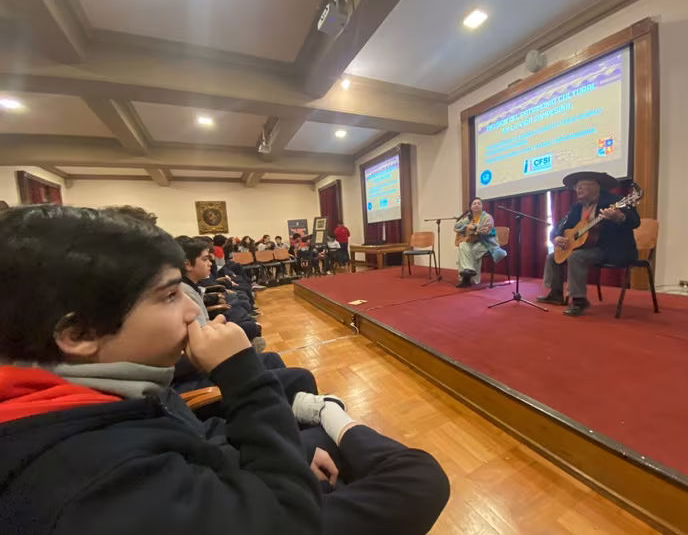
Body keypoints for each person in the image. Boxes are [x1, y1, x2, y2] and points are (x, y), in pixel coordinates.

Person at [1, 205, 450, 535]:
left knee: (319, 442)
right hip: (272, 513)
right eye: (169, 296)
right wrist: (243, 377)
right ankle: (331, 413)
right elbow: (288, 519)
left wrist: (287, 451)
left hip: (225, 483)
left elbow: (188, 436)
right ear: (78, 334)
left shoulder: (84, 393)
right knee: (419, 478)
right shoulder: (88, 486)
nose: (190, 313)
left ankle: (326, 417)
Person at [538, 171, 640, 316]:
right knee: (552, 257)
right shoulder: (576, 208)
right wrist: (556, 237)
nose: (578, 189)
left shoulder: (616, 201)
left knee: (576, 257)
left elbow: (635, 222)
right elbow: (559, 227)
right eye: (576, 187)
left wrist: (619, 217)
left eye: (582, 185)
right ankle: (556, 294)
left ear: (596, 186)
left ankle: (579, 300)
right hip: (586, 248)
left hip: (611, 249)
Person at [453, 197, 507, 288]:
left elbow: (485, 230)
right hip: (473, 242)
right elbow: (456, 226)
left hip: (487, 243)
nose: (477, 205)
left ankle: (466, 278)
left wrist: (474, 227)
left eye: (479, 203)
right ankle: (468, 272)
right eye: (474, 203)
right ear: (471, 207)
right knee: (462, 245)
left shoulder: (487, 217)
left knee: (471, 251)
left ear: (482, 206)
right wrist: (467, 226)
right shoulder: (469, 217)